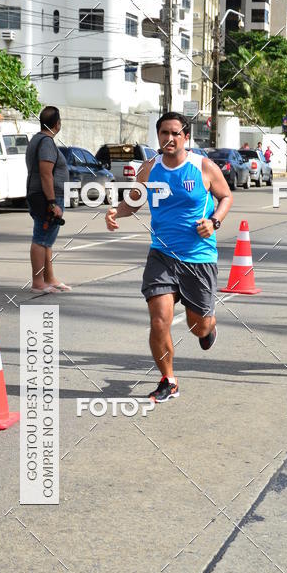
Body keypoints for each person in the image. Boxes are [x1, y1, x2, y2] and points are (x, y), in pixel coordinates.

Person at [105, 112, 233, 402]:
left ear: (186, 137)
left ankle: (208, 327)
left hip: (198, 258)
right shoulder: (150, 168)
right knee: (159, 320)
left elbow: (226, 197)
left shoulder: (203, 166)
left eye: (176, 133)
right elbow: (133, 203)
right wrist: (116, 212)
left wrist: (214, 221)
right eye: (165, 133)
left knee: (197, 326)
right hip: (161, 256)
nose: (170, 138)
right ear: (158, 136)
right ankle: (169, 380)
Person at [25, 105, 72, 293]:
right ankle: (38, 282)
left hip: (42, 195)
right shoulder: (46, 142)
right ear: (57, 124)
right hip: (47, 197)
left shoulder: (38, 140)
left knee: (46, 240)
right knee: (40, 239)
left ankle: (49, 278)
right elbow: (46, 174)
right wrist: (52, 203)